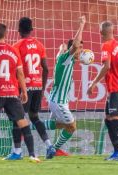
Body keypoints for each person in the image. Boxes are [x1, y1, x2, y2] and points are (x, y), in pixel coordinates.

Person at [0, 23, 40, 163]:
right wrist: (24, 91)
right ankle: (33, 154)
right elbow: (20, 73)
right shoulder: (14, 50)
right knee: (23, 123)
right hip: (12, 93)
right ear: (6, 34)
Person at [3, 17, 54, 160]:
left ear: (19, 30)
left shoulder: (16, 46)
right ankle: (49, 146)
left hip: (24, 87)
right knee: (34, 117)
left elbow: (15, 70)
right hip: (37, 86)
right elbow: (45, 68)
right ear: (31, 30)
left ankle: (17, 152)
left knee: (17, 118)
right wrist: (42, 87)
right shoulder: (39, 45)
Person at [87, 21, 118, 161]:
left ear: (101, 32)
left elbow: (106, 67)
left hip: (116, 89)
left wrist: (93, 83)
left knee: (115, 119)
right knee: (108, 119)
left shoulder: (106, 46)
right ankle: (117, 152)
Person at [43, 16, 85, 156]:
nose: (81, 51)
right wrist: (81, 25)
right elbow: (74, 45)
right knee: (71, 127)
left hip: (59, 100)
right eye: (80, 48)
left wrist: (62, 48)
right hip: (59, 102)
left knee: (60, 125)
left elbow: (62, 50)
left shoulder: (64, 58)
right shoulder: (66, 58)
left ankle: (25, 126)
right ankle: (54, 149)